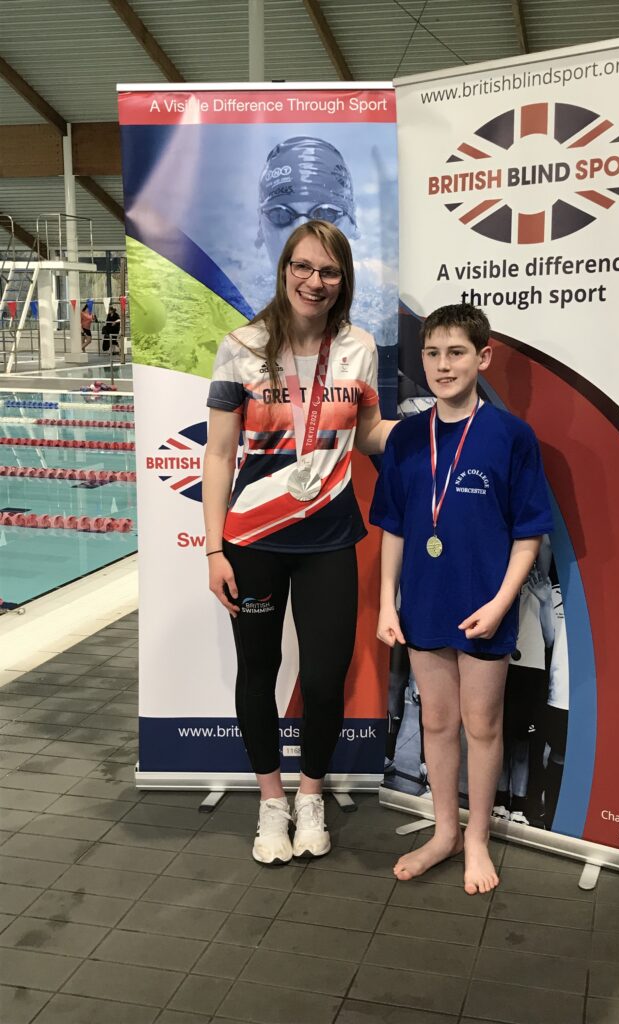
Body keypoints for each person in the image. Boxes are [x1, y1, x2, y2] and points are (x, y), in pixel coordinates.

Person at [203, 219, 394, 865]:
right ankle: (271, 801)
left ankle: (310, 792)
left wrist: (441, 431)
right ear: (286, 268)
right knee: (258, 670)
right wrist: (212, 548)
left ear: (344, 282)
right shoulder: (242, 346)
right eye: (305, 267)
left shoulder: (359, 348)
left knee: (323, 673)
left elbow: (365, 433)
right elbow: (220, 453)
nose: (315, 281)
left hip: (329, 535)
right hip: (253, 537)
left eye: (330, 271)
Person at [371, 303, 553, 894]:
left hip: (483, 605)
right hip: (423, 602)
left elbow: (528, 534)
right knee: (438, 721)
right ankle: (444, 830)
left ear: (483, 357)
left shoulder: (510, 436)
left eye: (456, 353)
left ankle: (477, 838)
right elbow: (394, 527)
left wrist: (501, 604)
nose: (443, 365)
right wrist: (385, 604)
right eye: (432, 353)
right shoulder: (404, 439)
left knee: (482, 724)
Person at [256, 137, 358, 266]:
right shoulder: (231, 283)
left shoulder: (386, 282)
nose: (301, 232)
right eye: (280, 216)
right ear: (261, 228)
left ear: (353, 224)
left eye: (324, 215)